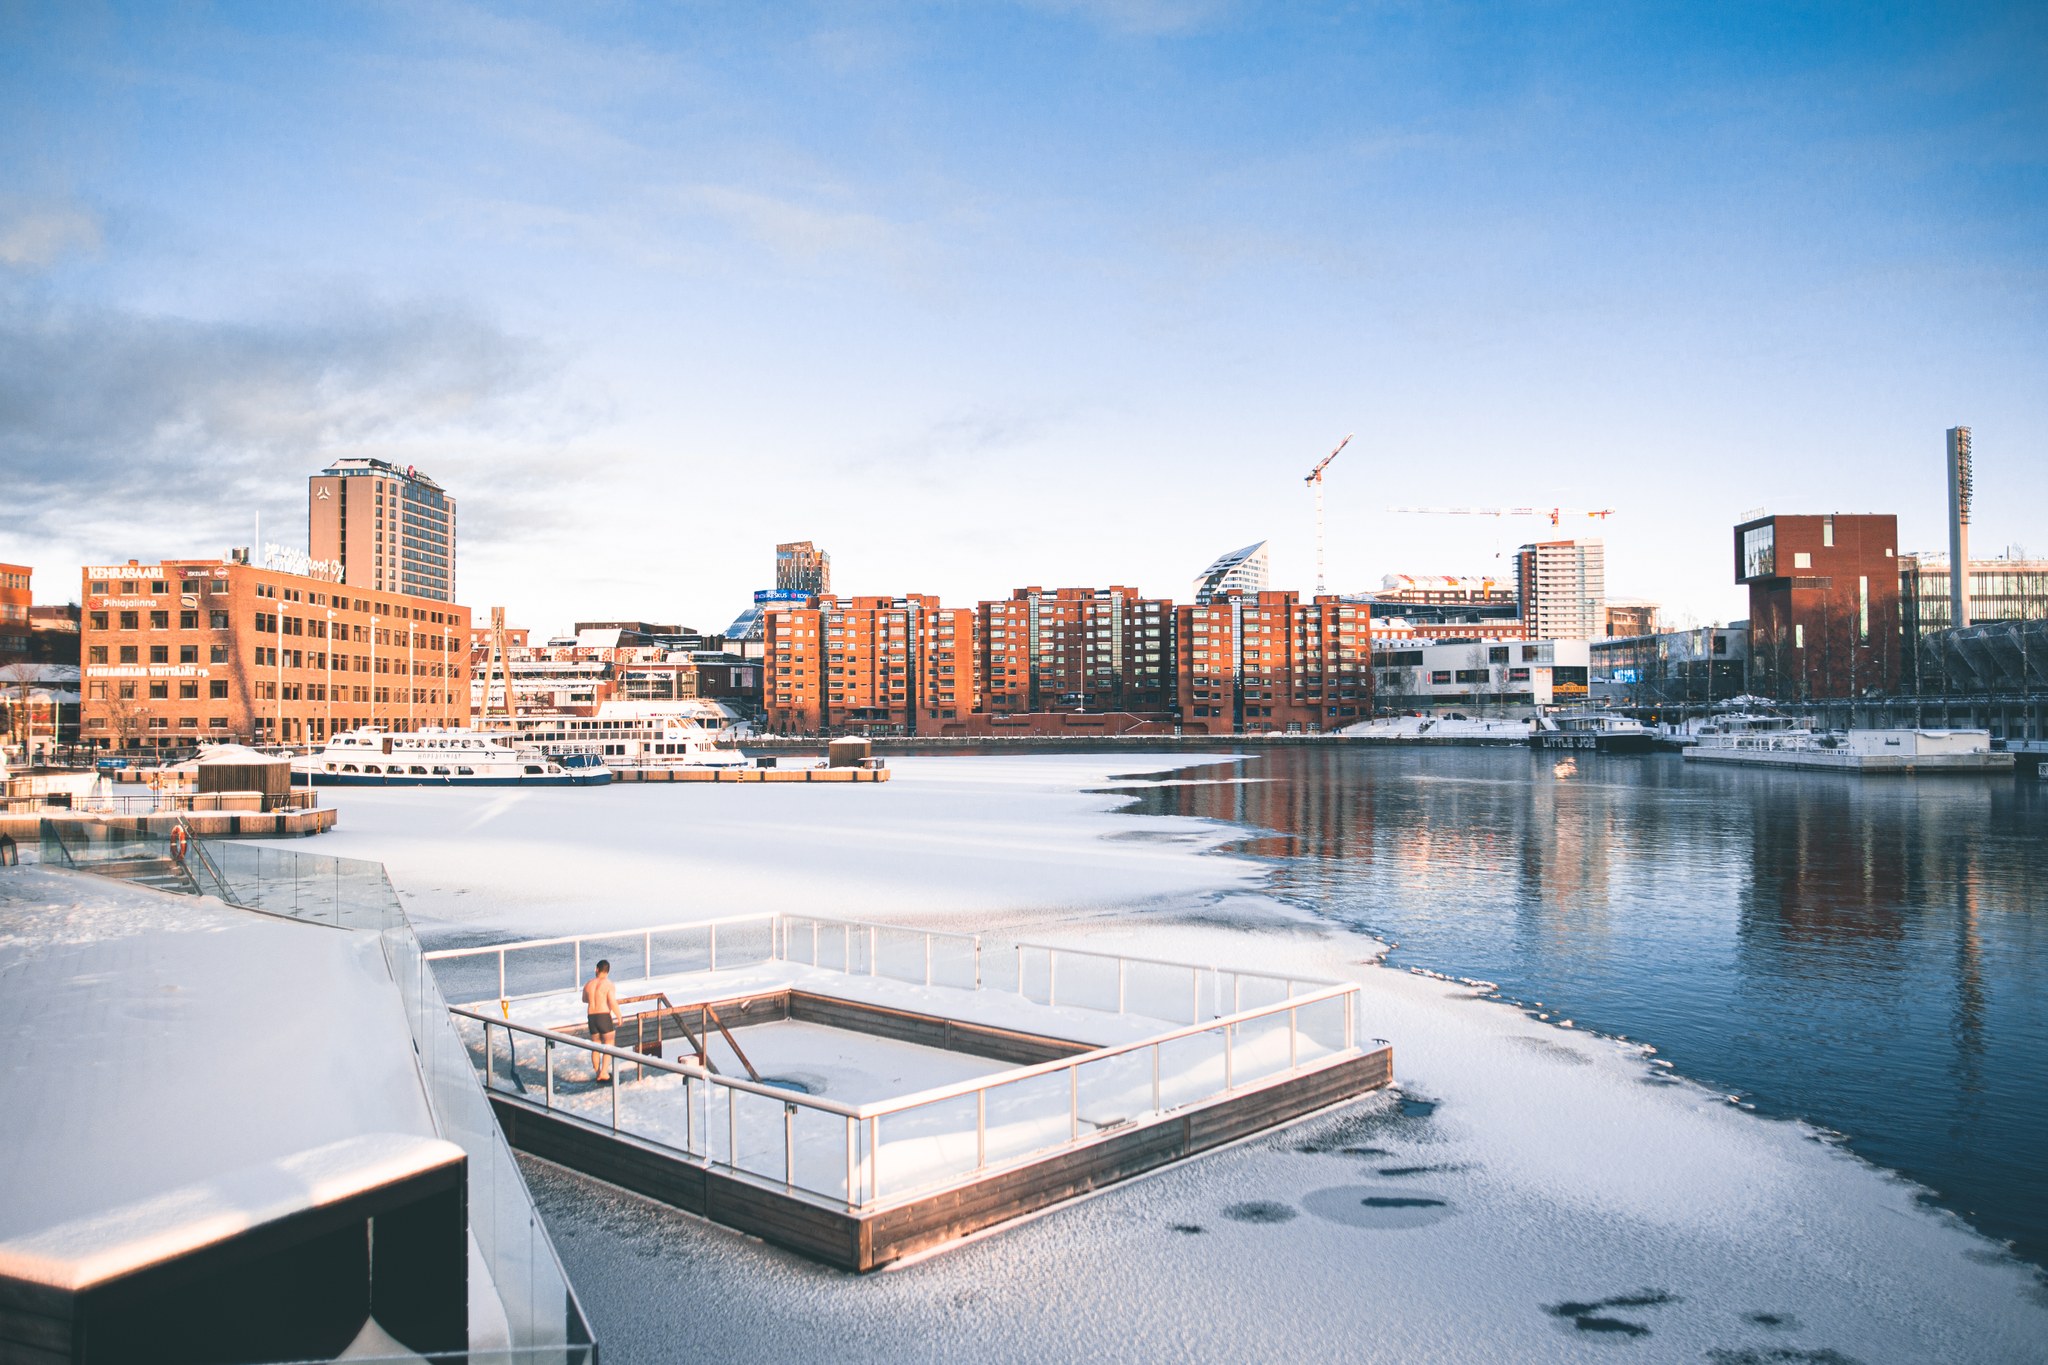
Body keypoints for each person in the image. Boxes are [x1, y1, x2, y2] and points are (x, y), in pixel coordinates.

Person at [582, 959, 620, 1082]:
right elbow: (612, 1002)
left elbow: (584, 999)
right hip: (604, 1015)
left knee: (596, 1045)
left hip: (591, 1016)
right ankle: (604, 1072)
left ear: (596, 969)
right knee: (609, 1044)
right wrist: (619, 1016)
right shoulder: (608, 984)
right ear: (608, 971)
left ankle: (598, 1072)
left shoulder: (588, 984)